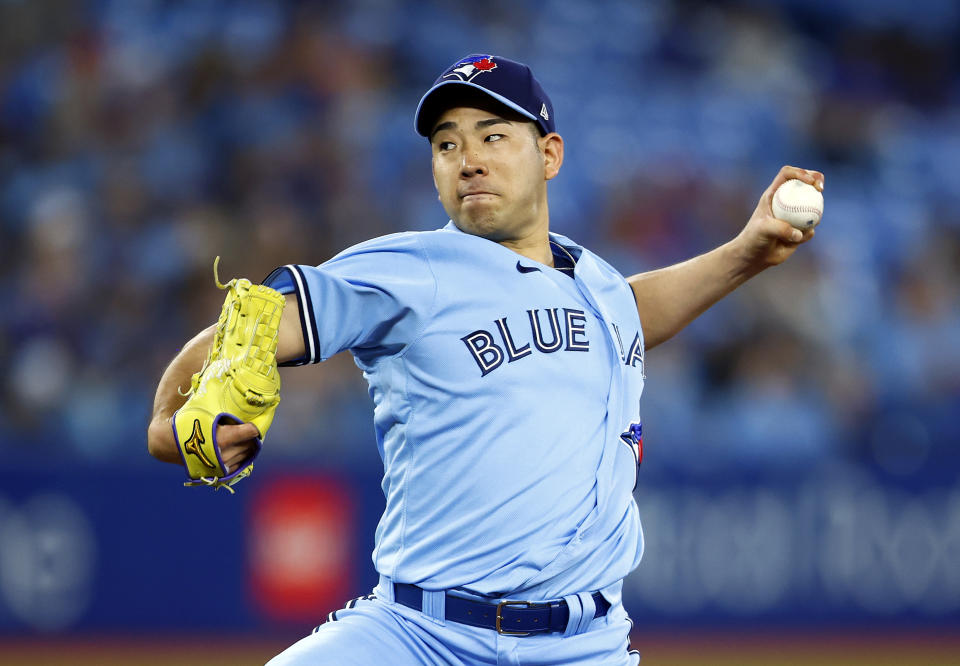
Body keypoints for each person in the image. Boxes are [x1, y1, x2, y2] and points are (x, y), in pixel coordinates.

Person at [147, 54, 822, 665]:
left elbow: (629, 312)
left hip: (584, 647)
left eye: (493, 136)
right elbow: (254, 322)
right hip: (417, 638)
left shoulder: (595, 281)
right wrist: (167, 421)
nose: (468, 158)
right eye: (447, 144)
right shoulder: (415, 269)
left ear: (549, 154)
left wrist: (746, 254)